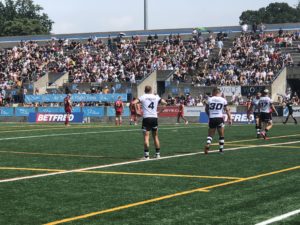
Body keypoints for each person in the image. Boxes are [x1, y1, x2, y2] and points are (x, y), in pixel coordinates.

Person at [132, 85, 167, 159]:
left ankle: (146, 156)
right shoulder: (156, 97)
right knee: (155, 136)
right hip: (154, 118)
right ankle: (157, 154)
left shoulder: (143, 96)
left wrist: (136, 111)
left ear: (145, 90)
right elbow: (165, 103)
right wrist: (160, 111)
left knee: (146, 137)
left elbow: (133, 102)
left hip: (147, 118)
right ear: (151, 90)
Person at [204, 88, 232, 154]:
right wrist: (230, 118)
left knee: (210, 134)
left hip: (212, 118)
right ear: (219, 93)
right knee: (221, 135)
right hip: (219, 118)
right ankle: (221, 150)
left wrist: (209, 116)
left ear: (214, 92)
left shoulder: (209, 99)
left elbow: (206, 109)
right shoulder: (223, 100)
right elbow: (227, 110)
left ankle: (208, 143)